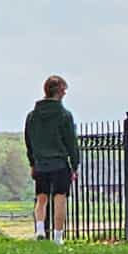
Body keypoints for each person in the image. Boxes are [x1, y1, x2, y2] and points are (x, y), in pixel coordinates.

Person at [25, 75, 80, 244]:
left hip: (40, 163)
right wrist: (74, 165)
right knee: (59, 198)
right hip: (59, 163)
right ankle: (57, 236)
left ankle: (40, 230)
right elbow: (71, 142)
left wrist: (32, 162)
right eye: (64, 90)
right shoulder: (64, 115)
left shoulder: (32, 116)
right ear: (60, 91)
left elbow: (29, 140)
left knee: (41, 198)